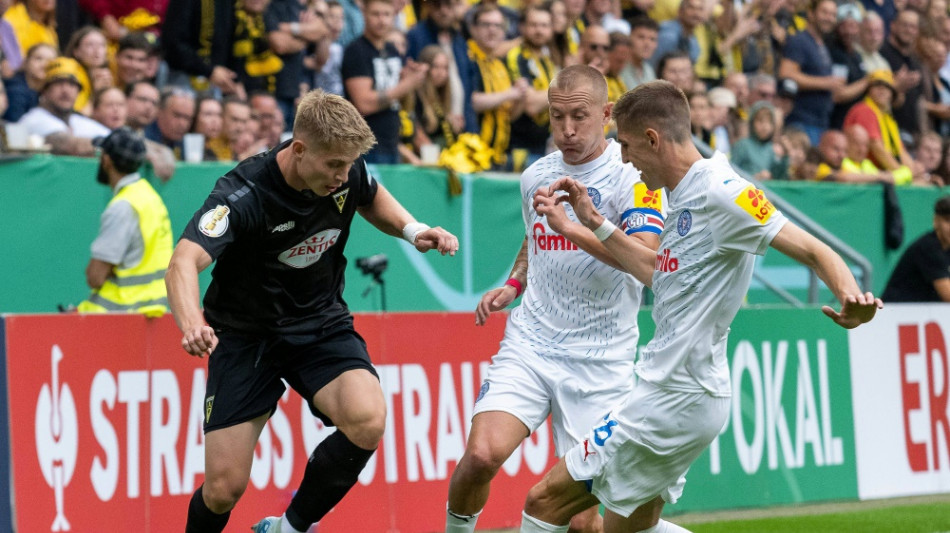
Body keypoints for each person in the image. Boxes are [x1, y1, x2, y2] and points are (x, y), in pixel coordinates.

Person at [516, 79, 882, 533]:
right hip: (674, 392)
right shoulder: (683, 194)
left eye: (627, 146)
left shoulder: (721, 192)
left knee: (544, 501)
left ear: (652, 139)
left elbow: (813, 249)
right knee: (627, 528)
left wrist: (850, 295)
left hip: (674, 397)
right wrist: (588, 224)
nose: (624, 159)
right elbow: (656, 270)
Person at [165, 89, 458, 533]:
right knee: (224, 488)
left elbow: (370, 195)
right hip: (247, 335)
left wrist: (413, 230)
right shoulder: (242, 194)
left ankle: (286, 529)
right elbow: (183, 262)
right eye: (333, 166)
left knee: (367, 419)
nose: (342, 176)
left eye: (348, 165)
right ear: (299, 149)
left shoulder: (345, 168)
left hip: (318, 321)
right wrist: (191, 324)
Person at [444, 65, 668, 533]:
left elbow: (644, 257)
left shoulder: (636, 177)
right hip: (533, 341)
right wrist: (515, 283)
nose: (567, 130)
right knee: (481, 455)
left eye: (579, 117)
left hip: (601, 361)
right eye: (557, 116)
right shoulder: (535, 176)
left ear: (606, 114)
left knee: (584, 522)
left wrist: (579, 225)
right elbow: (534, 237)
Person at [77, 127, 172, 316]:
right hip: (151, 311)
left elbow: (95, 277)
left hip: (117, 316)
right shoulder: (150, 197)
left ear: (106, 160)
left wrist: (109, 270)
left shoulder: (123, 206)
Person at [342, 0, 428, 164]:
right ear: (364, 14)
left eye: (387, 14)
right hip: (365, 146)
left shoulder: (393, 50)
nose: (382, 20)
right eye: (376, 14)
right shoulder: (356, 50)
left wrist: (413, 76)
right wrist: (407, 84)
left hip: (392, 142)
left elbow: (404, 100)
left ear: (394, 16)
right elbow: (363, 103)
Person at [882, 195, 950, 302]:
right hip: (896, 313)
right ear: (936, 221)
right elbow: (947, 295)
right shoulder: (929, 247)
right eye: (947, 220)